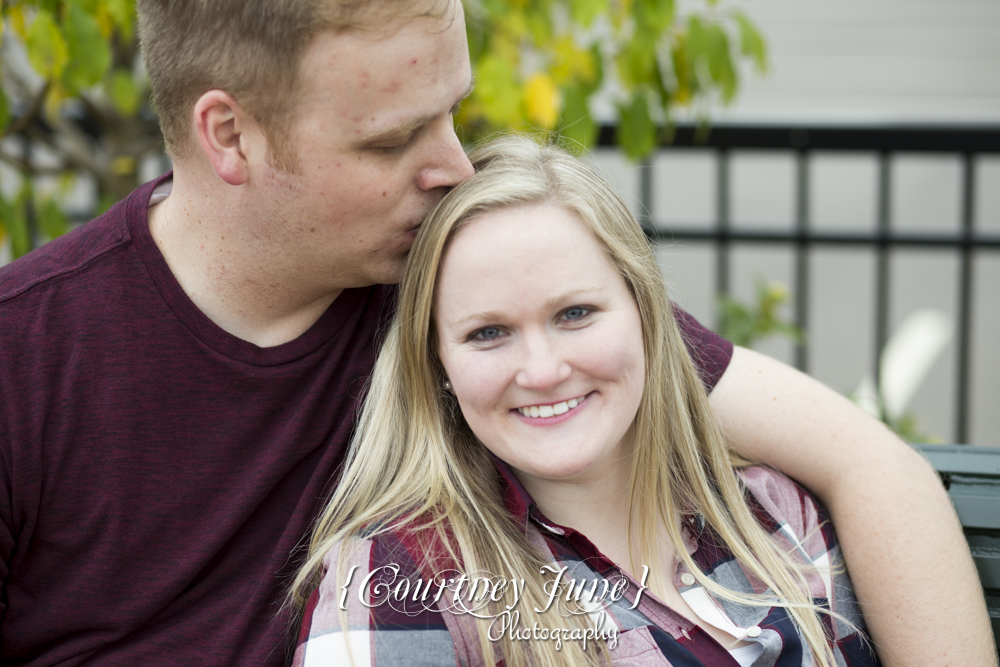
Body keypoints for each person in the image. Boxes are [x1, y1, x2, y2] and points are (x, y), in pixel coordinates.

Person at [0, 0, 991, 665]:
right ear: (230, 136)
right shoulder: (25, 362)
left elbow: (868, 464)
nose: (456, 169)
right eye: (392, 139)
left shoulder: (471, 289)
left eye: (453, 114)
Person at [289, 135, 884, 667]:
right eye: (487, 333)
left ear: (646, 315)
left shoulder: (772, 515)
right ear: (438, 364)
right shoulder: (402, 583)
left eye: (575, 314)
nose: (544, 372)